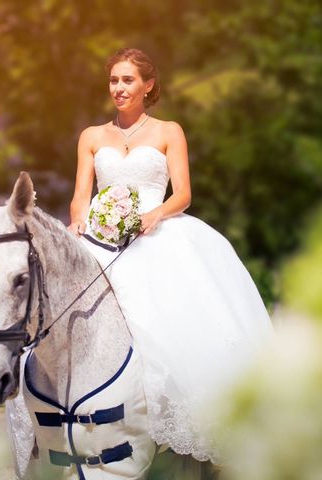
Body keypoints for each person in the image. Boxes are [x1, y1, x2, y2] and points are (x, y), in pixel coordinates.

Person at [66, 47, 274, 463]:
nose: (119, 88)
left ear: (148, 85)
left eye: (127, 80)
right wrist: (78, 226)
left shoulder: (168, 131)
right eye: (114, 80)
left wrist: (154, 214)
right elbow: (79, 199)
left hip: (158, 233)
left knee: (173, 323)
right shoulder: (91, 136)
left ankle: (184, 426)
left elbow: (183, 193)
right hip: (102, 239)